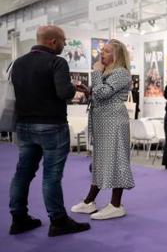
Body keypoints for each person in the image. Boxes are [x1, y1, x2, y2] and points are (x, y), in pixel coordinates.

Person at [9, 25, 90, 236]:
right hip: (52, 126)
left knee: (22, 173)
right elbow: (63, 92)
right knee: (51, 176)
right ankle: (58, 220)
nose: (65, 44)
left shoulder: (18, 63)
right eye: (63, 40)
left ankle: (18, 218)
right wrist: (74, 88)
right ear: (53, 42)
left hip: (24, 126)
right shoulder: (57, 62)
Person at [72, 39, 135, 220]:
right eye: (103, 50)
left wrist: (96, 73)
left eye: (107, 51)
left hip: (113, 121)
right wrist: (88, 90)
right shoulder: (108, 72)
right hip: (103, 120)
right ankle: (89, 201)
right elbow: (100, 93)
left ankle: (116, 205)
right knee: (100, 161)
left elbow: (103, 93)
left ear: (116, 55)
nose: (102, 54)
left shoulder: (122, 73)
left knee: (116, 160)